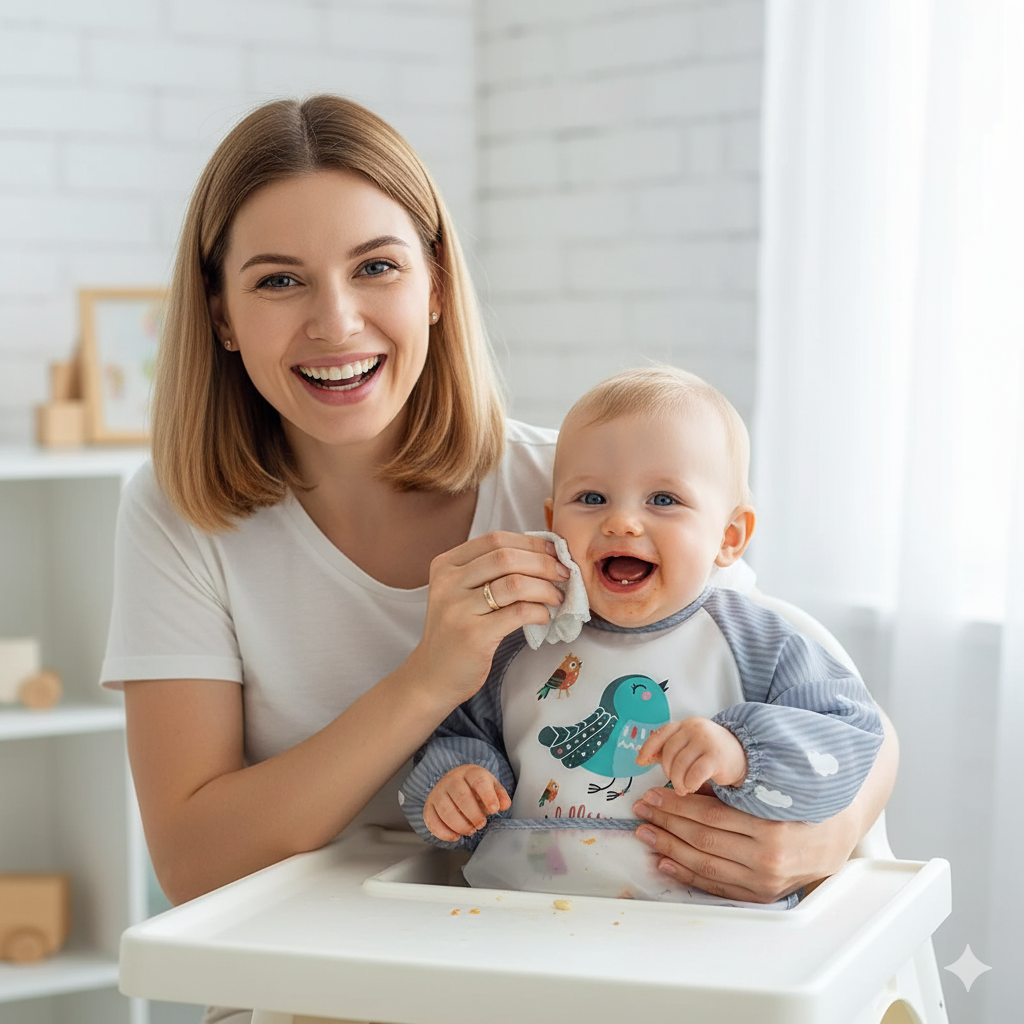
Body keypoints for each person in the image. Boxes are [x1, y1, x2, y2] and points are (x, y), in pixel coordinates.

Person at [100, 93, 897, 1006]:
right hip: (313, 975)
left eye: (376, 267)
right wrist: (428, 680)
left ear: (436, 286)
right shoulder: (179, 515)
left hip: (572, 965)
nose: (335, 321)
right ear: (221, 314)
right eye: (279, 280)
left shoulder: (581, 494)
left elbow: (822, 697)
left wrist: (824, 841)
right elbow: (194, 865)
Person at [400, 367, 885, 903]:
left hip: (702, 929)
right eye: (590, 499)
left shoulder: (757, 642)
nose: (622, 522)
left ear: (729, 537)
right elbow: (454, 734)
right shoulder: (522, 641)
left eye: (662, 500)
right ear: (551, 519)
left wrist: (745, 752)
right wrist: (456, 784)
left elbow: (850, 740)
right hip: (522, 913)